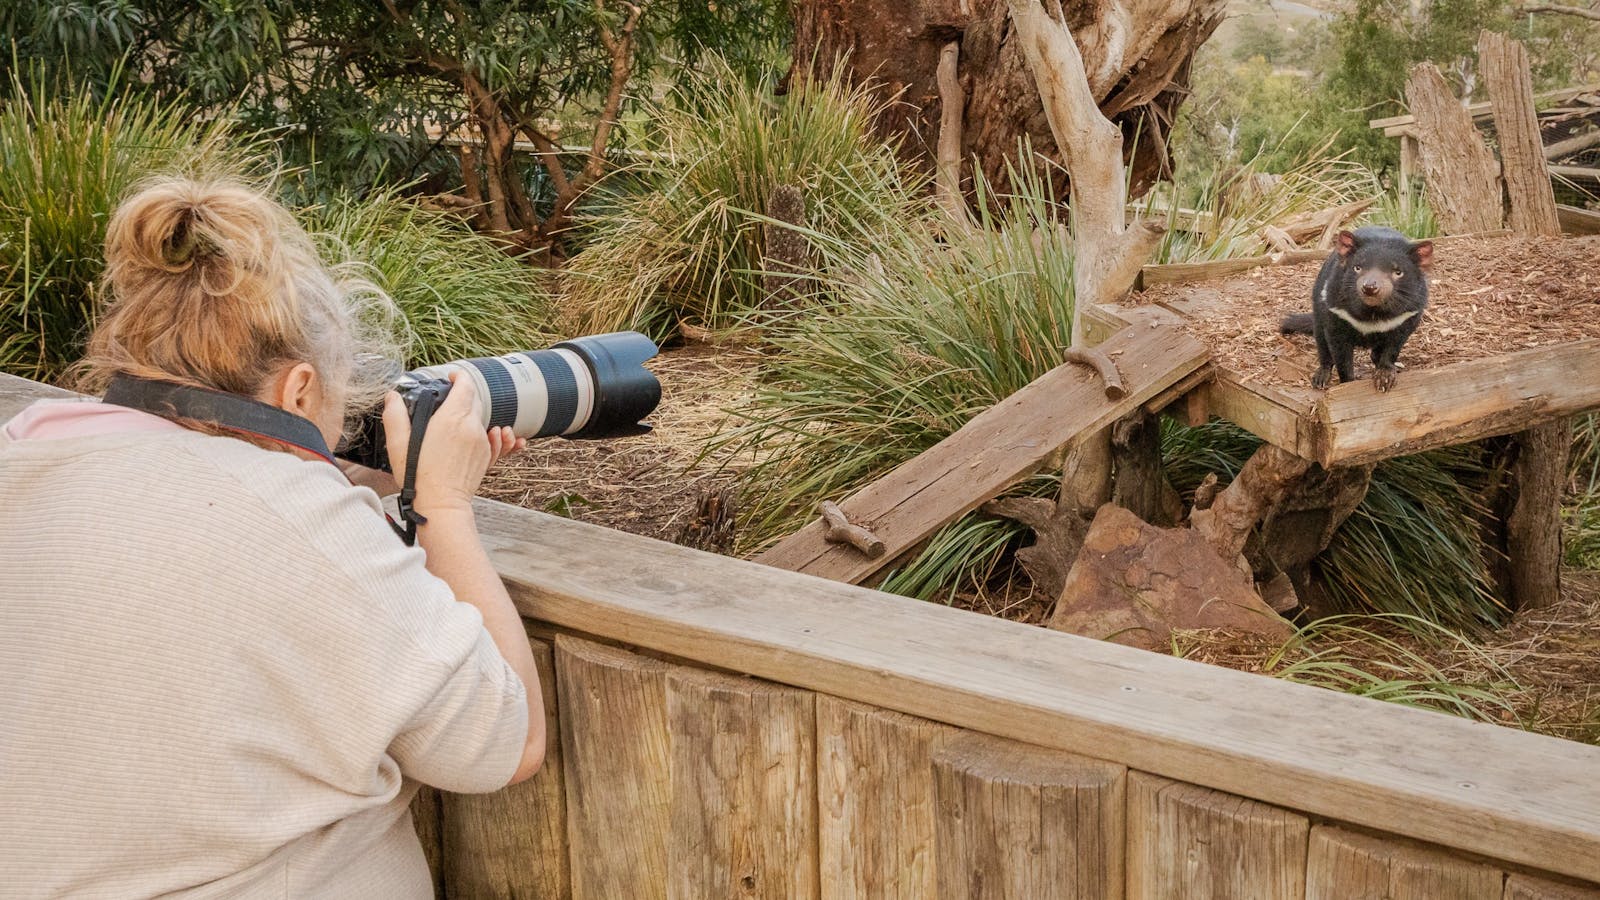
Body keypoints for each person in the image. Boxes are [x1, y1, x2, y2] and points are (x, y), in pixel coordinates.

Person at [0, 177, 544, 898]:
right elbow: (505, 745)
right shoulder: (306, 527)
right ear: (296, 391)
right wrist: (441, 505)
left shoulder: (24, 461)